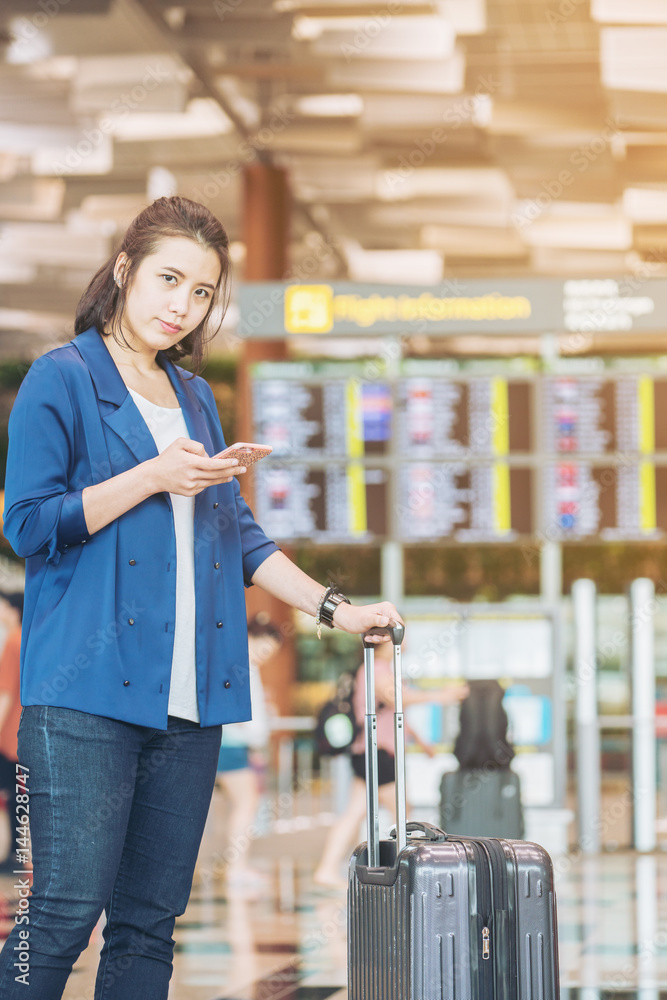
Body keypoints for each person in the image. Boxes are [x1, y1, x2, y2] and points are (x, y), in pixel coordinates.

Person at [0, 195, 402, 999]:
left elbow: (238, 536)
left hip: (187, 705)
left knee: (150, 925)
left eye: (201, 293)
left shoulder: (193, 397)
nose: (181, 306)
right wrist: (152, 475)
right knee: (62, 916)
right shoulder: (63, 379)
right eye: (168, 280)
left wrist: (337, 608)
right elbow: (27, 523)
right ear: (124, 272)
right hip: (83, 697)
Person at [313, 640, 468, 889]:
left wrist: (420, 740)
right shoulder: (375, 668)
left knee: (357, 812)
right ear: (384, 641)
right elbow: (396, 698)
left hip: (370, 752)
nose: (405, 638)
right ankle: (404, 873)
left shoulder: (377, 668)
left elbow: (390, 710)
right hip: (377, 753)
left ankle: (328, 869)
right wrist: (442, 695)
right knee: (402, 812)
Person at [215, 614, 278, 892]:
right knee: (246, 804)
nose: (266, 655)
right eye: (263, 647)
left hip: (233, 745)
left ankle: (236, 867)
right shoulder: (239, 666)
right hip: (230, 745)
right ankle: (236, 868)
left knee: (241, 805)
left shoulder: (242, 665)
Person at [0, 592, 23, 874]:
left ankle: (14, 855)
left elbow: (4, 692)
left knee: (13, 796)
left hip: (8, 735)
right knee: (21, 797)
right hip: (23, 732)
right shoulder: (27, 638)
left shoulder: (13, 640)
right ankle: (18, 853)